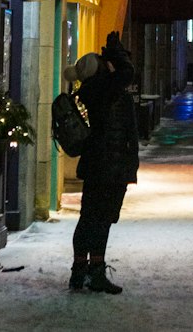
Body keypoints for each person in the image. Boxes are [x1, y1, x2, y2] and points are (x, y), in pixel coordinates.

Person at [65, 31, 139, 294]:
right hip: (110, 164)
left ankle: (79, 271)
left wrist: (111, 56)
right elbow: (126, 73)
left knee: (88, 218)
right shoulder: (106, 90)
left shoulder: (92, 90)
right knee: (101, 220)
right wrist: (117, 53)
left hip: (97, 163)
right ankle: (95, 273)